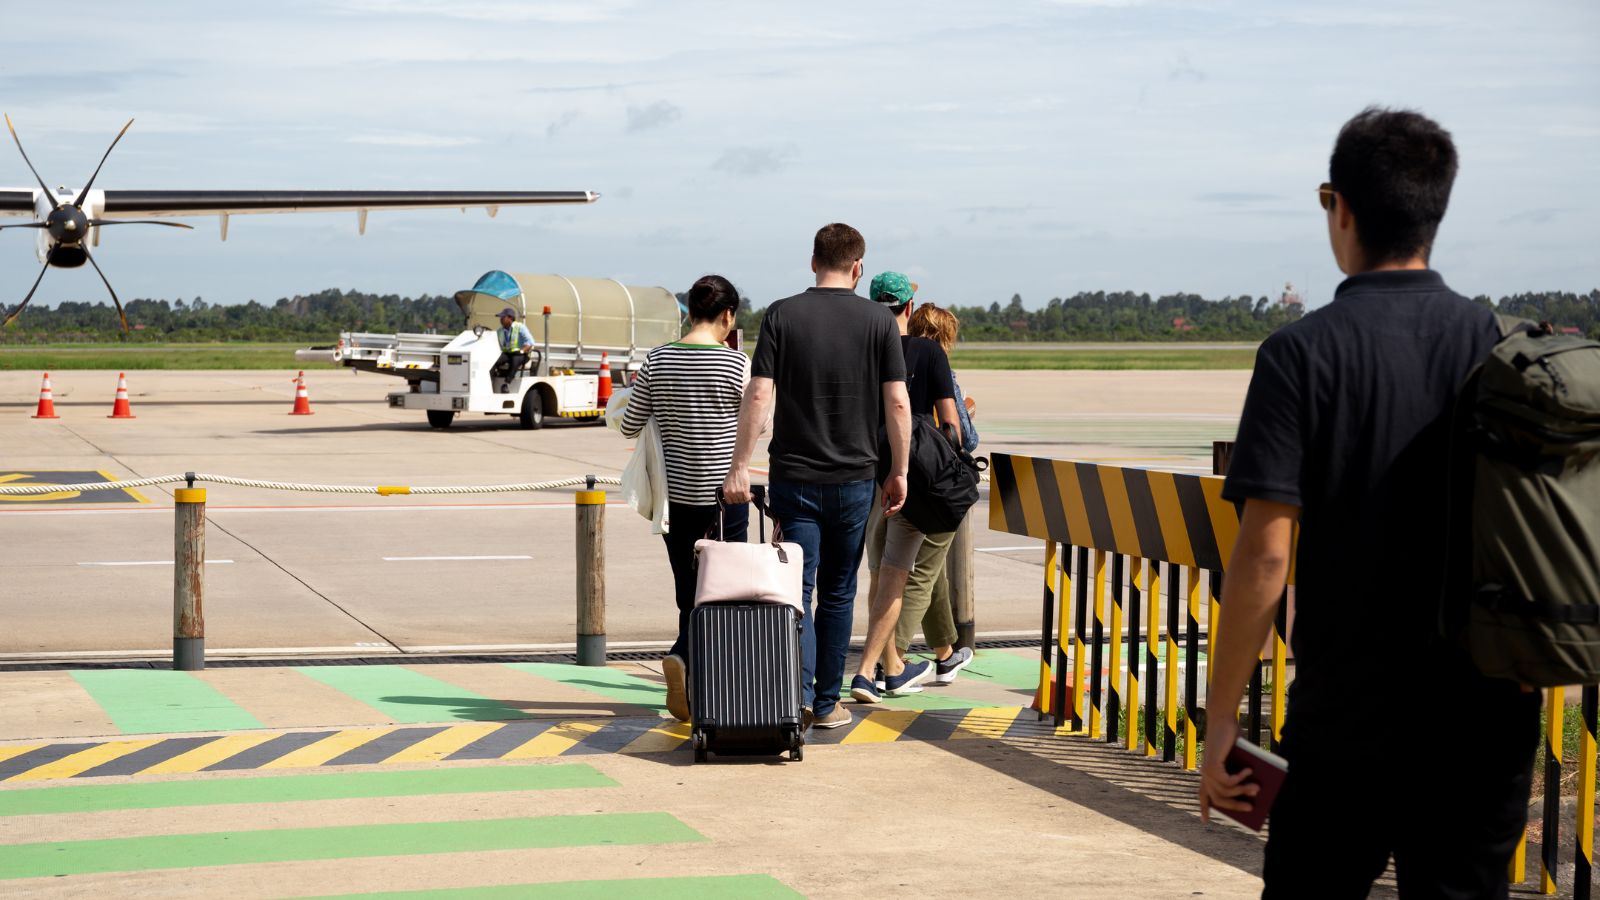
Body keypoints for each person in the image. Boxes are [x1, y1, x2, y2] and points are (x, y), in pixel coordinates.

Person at [1198, 107, 1539, 897]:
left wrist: (1222, 720)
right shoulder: (1504, 349)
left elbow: (1266, 555)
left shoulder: (1299, 354)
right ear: (1434, 212)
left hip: (1345, 720)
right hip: (1484, 723)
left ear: (1341, 208)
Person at [722, 223, 911, 730]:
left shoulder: (782, 314)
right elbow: (897, 401)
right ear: (858, 268)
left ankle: (796, 695)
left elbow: (758, 394)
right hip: (855, 478)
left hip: (795, 478)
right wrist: (899, 470)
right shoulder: (880, 321)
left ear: (812, 262)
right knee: (839, 592)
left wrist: (740, 465)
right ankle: (827, 703)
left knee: (795, 591)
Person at [619, 275, 750, 723]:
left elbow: (629, 424)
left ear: (689, 312)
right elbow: (758, 424)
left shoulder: (657, 360)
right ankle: (688, 663)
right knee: (723, 595)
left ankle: (689, 686)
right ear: (728, 316)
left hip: (675, 500)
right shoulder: (737, 364)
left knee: (688, 595)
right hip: (725, 499)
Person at [850, 276, 971, 703]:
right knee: (902, 576)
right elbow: (950, 423)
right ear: (909, 306)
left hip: (869, 476)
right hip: (915, 479)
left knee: (878, 574)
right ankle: (887, 666)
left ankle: (891, 665)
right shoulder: (927, 351)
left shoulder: (860, 351)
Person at [908, 302, 979, 678]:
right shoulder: (940, 367)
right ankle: (889, 658)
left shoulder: (894, 358)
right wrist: (967, 410)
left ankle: (945, 651)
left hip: (895, 475)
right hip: (934, 480)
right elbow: (964, 435)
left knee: (930, 571)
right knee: (923, 571)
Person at [493, 307, 535, 393]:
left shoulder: (520, 327)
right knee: (493, 360)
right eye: (500, 317)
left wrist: (522, 351)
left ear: (510, 318)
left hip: (522, 354)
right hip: (507, 354)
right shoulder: (499, 331)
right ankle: (491, 379)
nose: (500, 319)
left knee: (515, 359)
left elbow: (530, 342)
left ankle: (506, 384)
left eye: (503, 317)